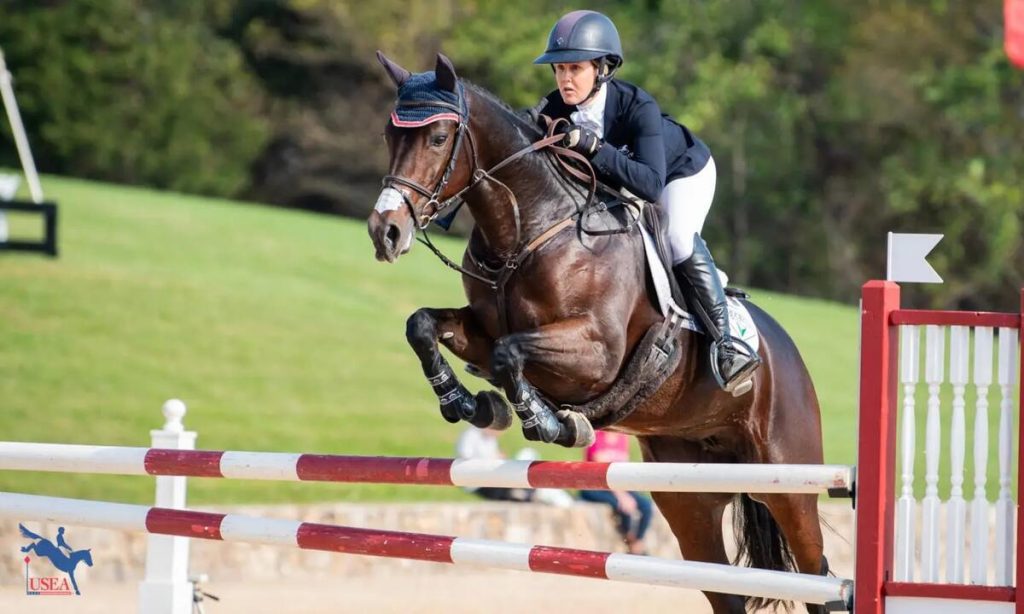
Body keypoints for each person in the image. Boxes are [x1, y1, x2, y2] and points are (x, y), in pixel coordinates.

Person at [531, 10, 760, 395]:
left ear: (602, 69)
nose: (565, 79)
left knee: (677, 240)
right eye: (559, 70)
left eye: (575, 68)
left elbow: (651, 185)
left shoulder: (638, 107)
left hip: (681, 174)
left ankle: (726, 343)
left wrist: (596, 148)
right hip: (624, 187)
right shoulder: (554, 109)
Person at [455, 426, 574, 506]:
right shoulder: (472, 434)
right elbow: (466, 459)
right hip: (478, 481)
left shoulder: (488, 438)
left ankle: (545, 496)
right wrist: (494, 460)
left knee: (523, 469)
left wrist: (498, 459)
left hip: (489, 477)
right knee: (520, 484)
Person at [578, 431, 652, 554]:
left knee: (645, 506)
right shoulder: (596, 436)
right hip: (595, 487)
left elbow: (624, 469)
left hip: (617, 486)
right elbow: (602, 470)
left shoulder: (623, 438)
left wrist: (626, 492)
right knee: (622, 507)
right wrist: (622, 496)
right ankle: (632, 543)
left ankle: (637, 541)